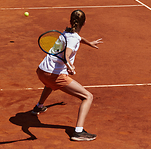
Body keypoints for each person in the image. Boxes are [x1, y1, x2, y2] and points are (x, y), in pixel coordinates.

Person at [32, 9, 103, 141]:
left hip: (42, 70)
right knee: (88, 96)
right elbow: (66, 54)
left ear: (71, 22)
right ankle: (78, 132)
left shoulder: (66, 32)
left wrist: (89, 43)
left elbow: (78, 38)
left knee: (50, 84)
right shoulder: (73, 38)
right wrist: (70, 66)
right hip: (53, 75)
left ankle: (38, 107)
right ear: (85, 23)